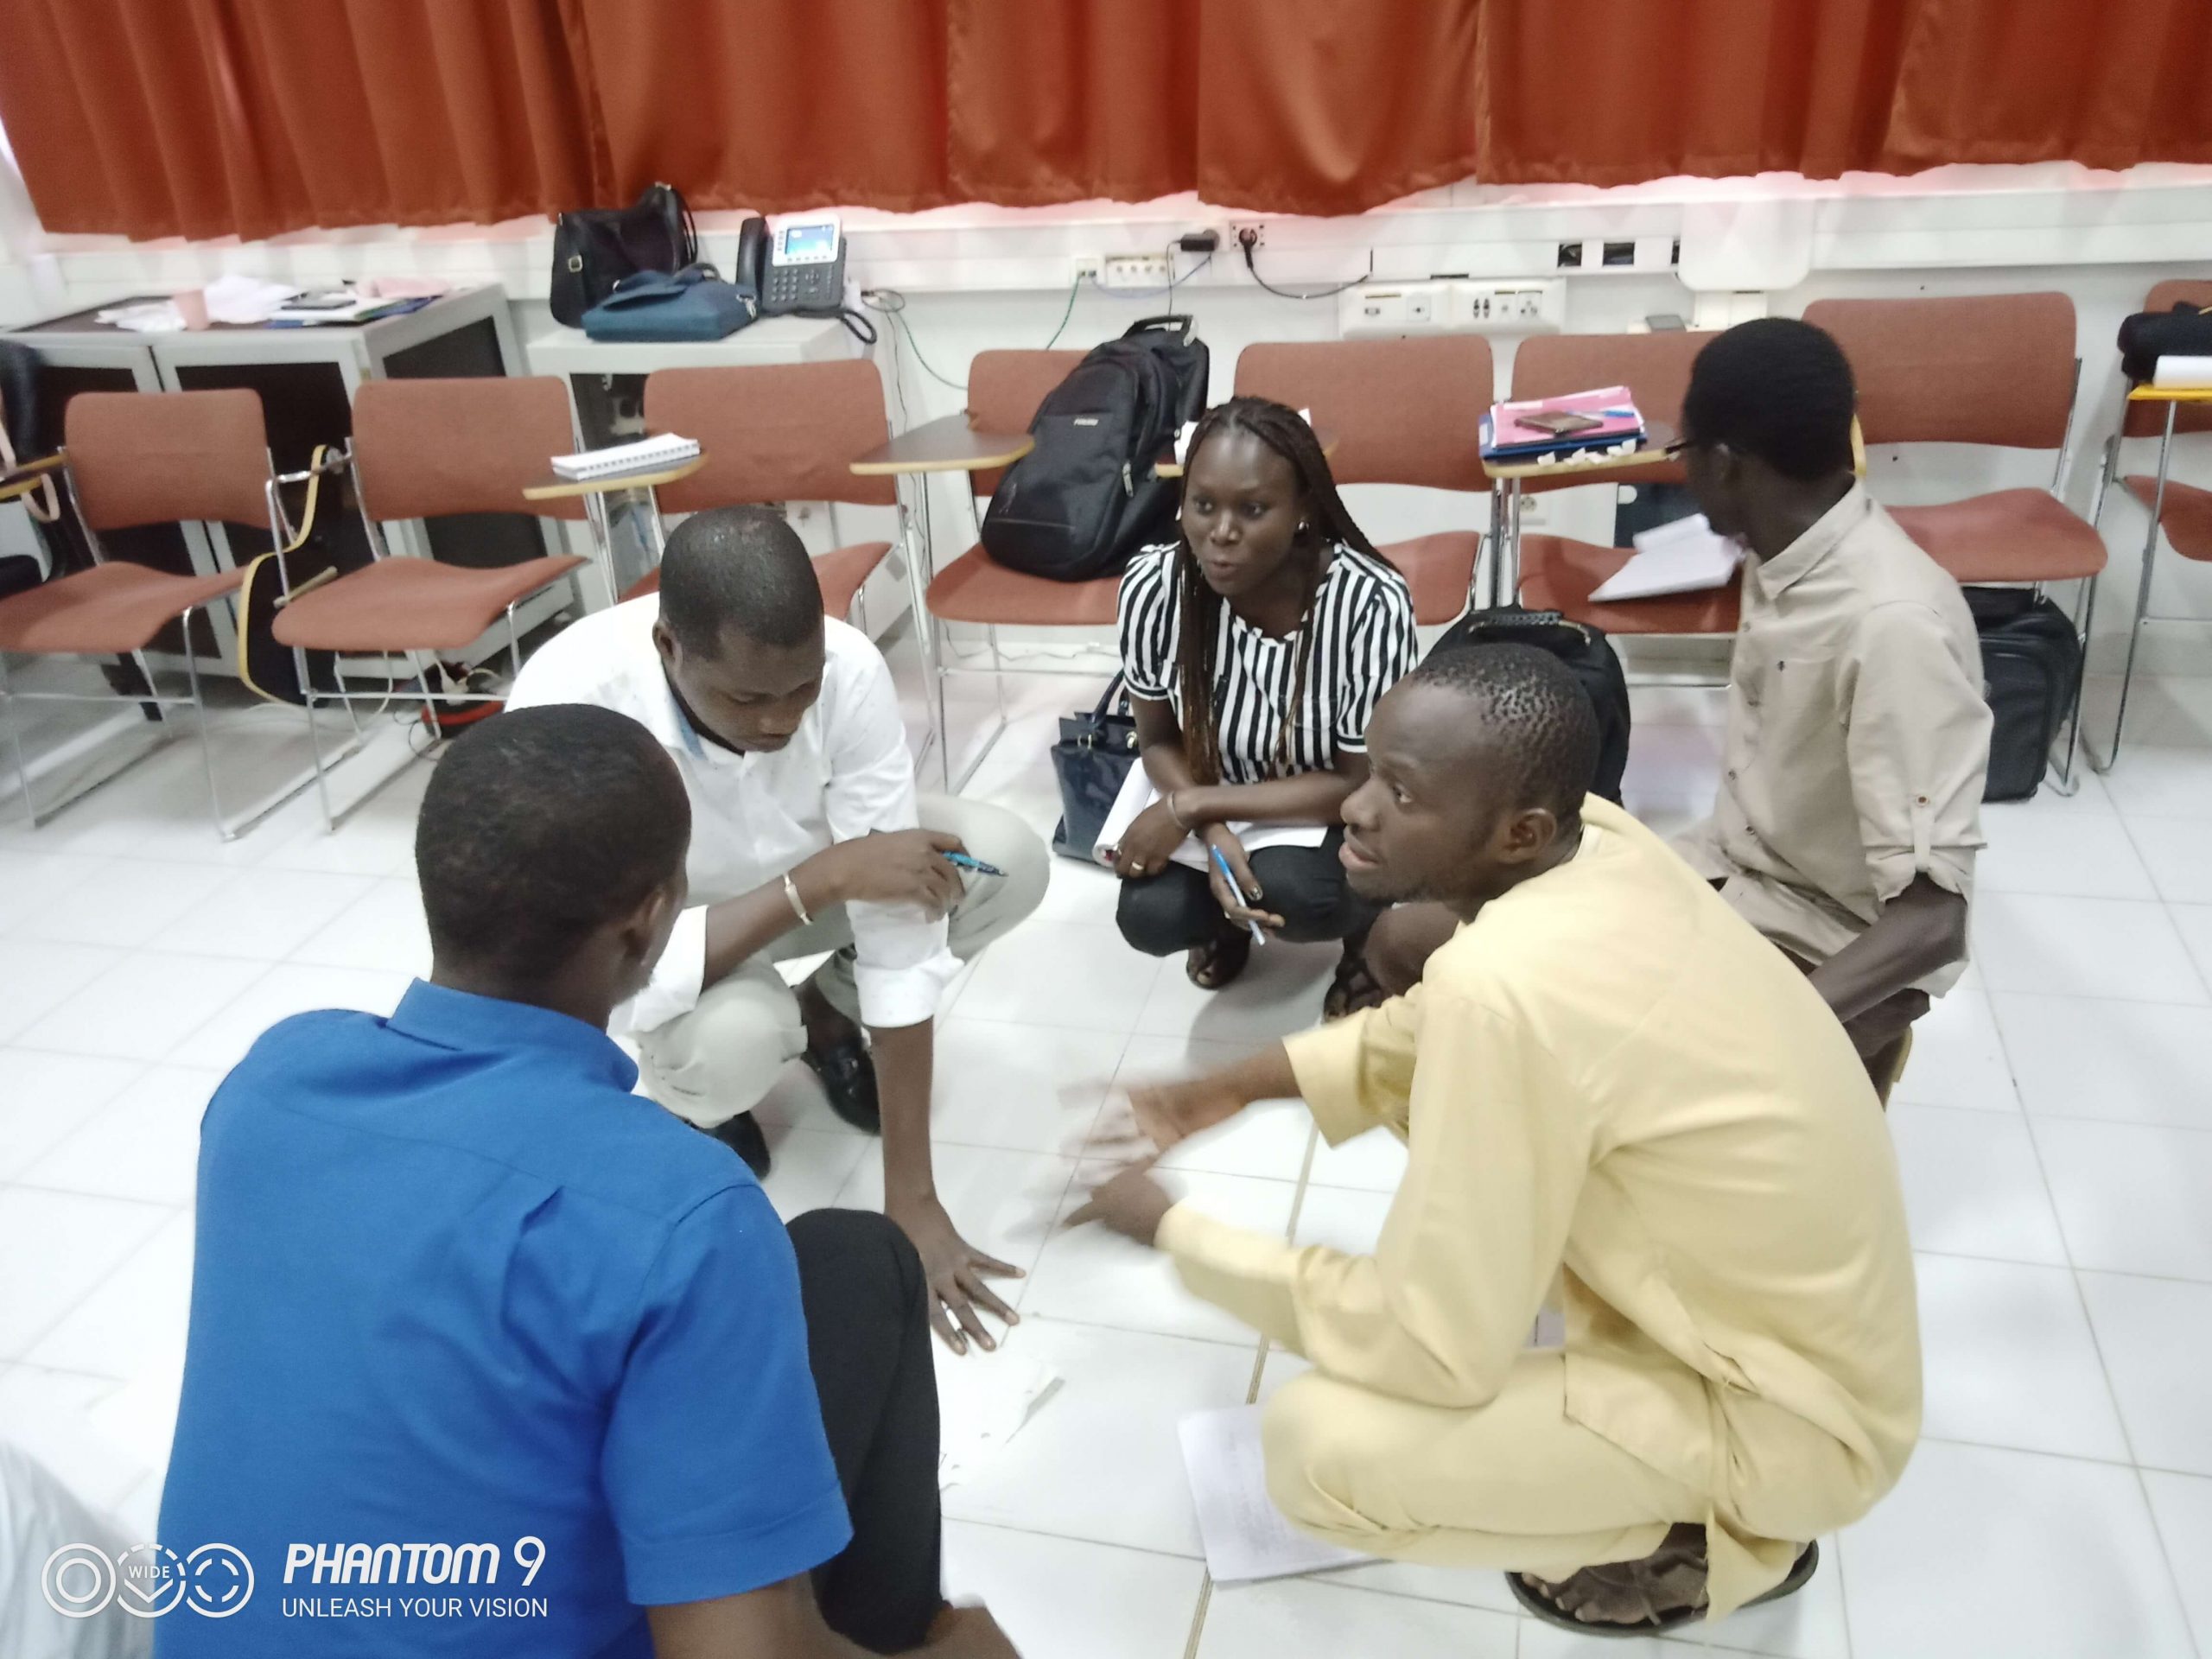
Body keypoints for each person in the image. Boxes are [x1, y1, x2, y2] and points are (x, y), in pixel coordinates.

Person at [1071, 646, 1920, 1635]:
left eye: (1400, 792)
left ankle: (1684, 1540)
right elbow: (1417, 1032)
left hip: (1790, 1424)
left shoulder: (1506, 987)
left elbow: (1429, 1347)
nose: (1355, 809)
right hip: (1777, 1335)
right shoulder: (1599, 840)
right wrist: (1217, 1093)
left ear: (1518, 832)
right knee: (1435, 1091)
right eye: (1371, 774)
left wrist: (1174, 1234)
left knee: (1311, 1450)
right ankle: (1629, 1451)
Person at [156, 706, 1017, 1659]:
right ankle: (909, 1634)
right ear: (651, 919)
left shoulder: (272, 1084)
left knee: (850, 1261)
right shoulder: (681, 1212)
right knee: (856, 1269)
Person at [1363, 317, 1988, 1099]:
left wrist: (1777, 1032)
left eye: (1685, 452)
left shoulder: (1892, 624)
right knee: (1409, 939)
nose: (1682, 472)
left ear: (1725, 464)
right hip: (1723, 877)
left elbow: (1933, 923)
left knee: (1599, 1067)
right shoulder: (1787, 549)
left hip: (1820, 940)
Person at [508, 508, 1049, 1354]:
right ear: (668, 648)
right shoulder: (568, 707)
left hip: (814, 877)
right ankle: (707, 1099)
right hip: (674, 933)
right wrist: (821, 880)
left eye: (801, 690)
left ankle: (828, 1014)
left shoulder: (848, 669)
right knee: (733, 1048)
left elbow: (898, 922)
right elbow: (595, 974)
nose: (780, 720)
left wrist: (910, 1200)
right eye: (747, 698)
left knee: (1004, 862)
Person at [1110, 397, 1416, 1015]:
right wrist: (1212, 832)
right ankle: (1226, 924)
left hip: (1332, 807)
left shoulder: (1367, 603)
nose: (1221, 533)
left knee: (1300, 894)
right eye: (1203, 505)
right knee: (1149, 914)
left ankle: (1365, 941)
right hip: (1215, 792)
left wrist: (1190, 806)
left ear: (1302, 508)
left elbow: (1356, 782)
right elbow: (1158, 740)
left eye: (1252, 510)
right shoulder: (1154, 587)